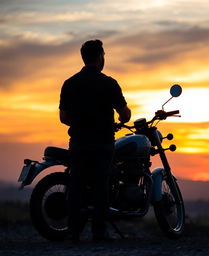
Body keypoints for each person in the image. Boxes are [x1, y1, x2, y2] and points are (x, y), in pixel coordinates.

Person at [59, 39, 131, 242]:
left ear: (84, 57)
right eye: (104, 55)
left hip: (79, 142)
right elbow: (124, 114)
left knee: (77, 186)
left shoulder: (70, 83)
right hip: (103, 143)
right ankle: (99, 232)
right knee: (102, 186)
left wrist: (81, 123)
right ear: (100, 57)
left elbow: (64, 118)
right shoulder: (109, 83)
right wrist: (123, 117)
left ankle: (73, 232)